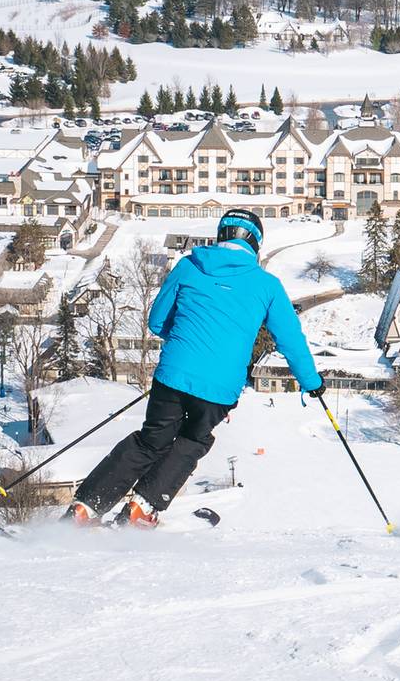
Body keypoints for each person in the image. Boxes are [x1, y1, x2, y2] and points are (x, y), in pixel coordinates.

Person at [64, 209, 322, 528]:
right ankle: (141, 507)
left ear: (221, 236)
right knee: (192, 442)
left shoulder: (188, 266)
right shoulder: (267, 285)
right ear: (255, 243)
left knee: (151, 441)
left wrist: (187, 346)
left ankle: (86, 507)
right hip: (218, 388)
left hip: (172, 376)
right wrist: (311, 381)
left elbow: (158, 319)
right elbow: (290, 339)